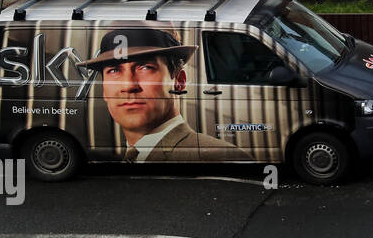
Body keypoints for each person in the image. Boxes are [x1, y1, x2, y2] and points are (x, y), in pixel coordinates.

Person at [79, 24, 250, 163]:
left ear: (179, 81)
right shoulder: (130, 157)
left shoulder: (219, 156)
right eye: (114, 70)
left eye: (145, 67)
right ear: (104, 89)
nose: (128, 85)